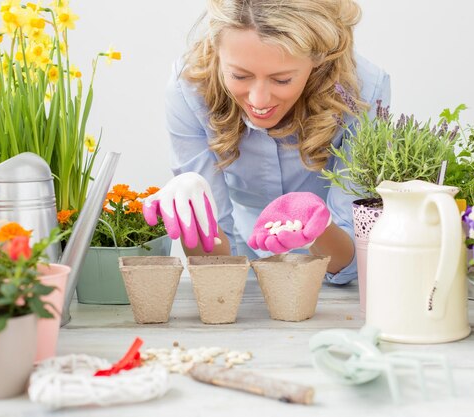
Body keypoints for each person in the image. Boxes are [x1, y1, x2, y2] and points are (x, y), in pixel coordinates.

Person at [144, 0, 390, 284]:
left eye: (282, 79)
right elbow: (217, 270)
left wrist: (317, 226)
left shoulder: (363, 90)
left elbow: (347, 265)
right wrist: (196, 215)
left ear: (318, 59)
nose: (258, 101)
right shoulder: (188, 87)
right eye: (239, 75)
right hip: (240, 257)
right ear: (216, 50)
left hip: (328, 275)